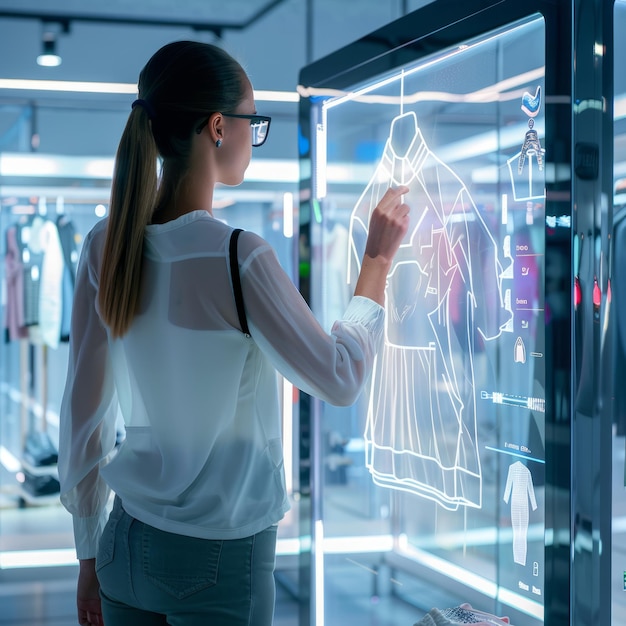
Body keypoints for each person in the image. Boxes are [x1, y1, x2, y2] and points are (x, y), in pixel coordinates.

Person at [58, 40, 410, 626]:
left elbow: (83, 414)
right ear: (218, 127)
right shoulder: (238, 256)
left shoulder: (106, 244)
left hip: (121, 543)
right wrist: (375, 264)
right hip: (219, 557)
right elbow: (341, 377)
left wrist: (88, 553)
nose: (255, 137)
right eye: (253, 122)